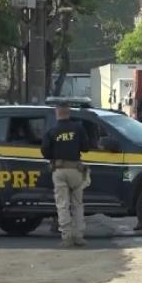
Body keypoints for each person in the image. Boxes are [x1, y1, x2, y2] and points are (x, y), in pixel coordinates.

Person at [41, 102, 91, 247]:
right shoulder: (78, 128)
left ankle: (67, 237)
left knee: (63, 204)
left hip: (59, 170)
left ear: (57, 113)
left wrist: (55, 155)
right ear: (69, 113)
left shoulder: (52, 130)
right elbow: (86, 147)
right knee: (78, 204)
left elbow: (44, 150)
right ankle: (79, 236)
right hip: (76, 170)